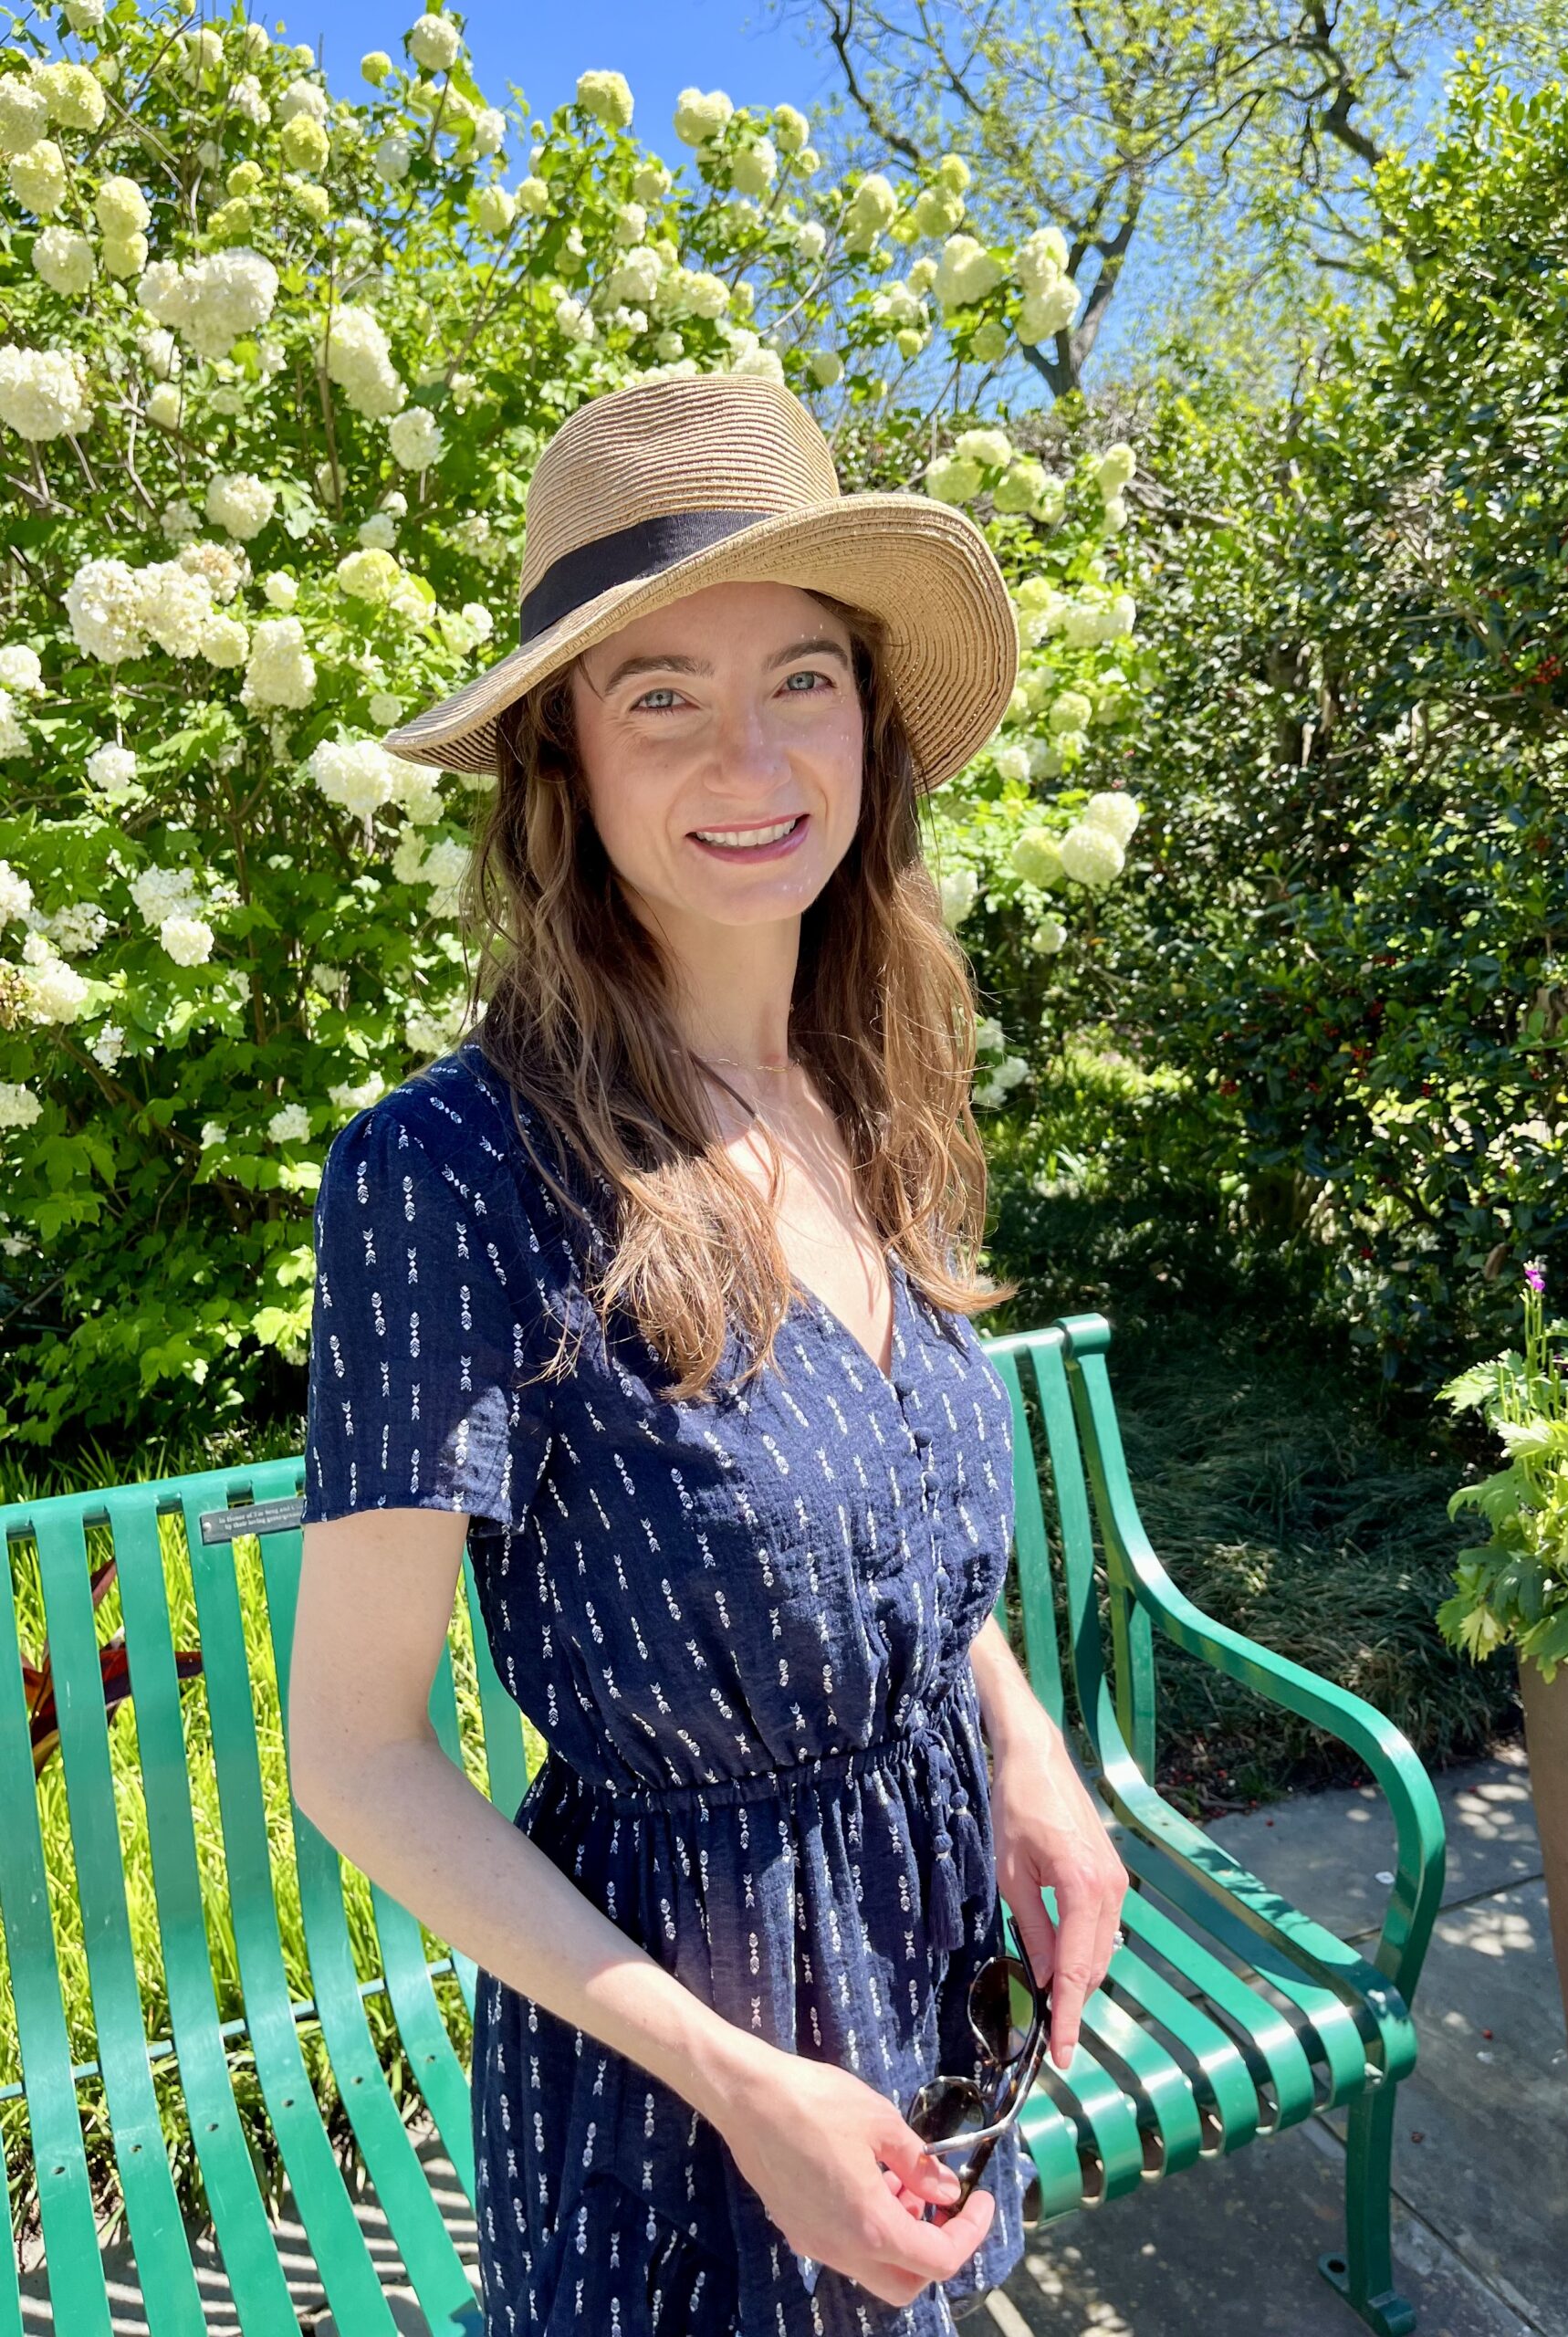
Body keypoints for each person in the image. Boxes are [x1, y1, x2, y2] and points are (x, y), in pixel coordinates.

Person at [287, 373, 1130, 2337]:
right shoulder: (449, 1172)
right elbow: (354, 1750)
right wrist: (749, 2088)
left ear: (873, 721)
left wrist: (1028, 1752)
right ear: (563, 753)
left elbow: (900, 1519)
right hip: (686, 2072)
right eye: (660, 689)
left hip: (923, 1972)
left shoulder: (874, 1075)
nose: (748, 753)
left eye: (805, 677)